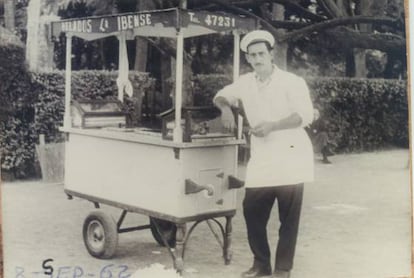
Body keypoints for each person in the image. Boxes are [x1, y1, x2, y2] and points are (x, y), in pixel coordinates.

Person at [213, 30, 314, 278]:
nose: (258, 59)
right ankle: (261, 264)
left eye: (261, 54)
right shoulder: (245, 82)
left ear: (271, 55)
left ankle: (282, 269)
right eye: (252, 55)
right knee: (252, 211)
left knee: (288, 219)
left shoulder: (292, 82)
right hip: (262, 159)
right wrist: (225, 109)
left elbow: (304, 115)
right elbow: (221, 95)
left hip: (292, 157)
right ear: (248, 59)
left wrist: (272, 125)